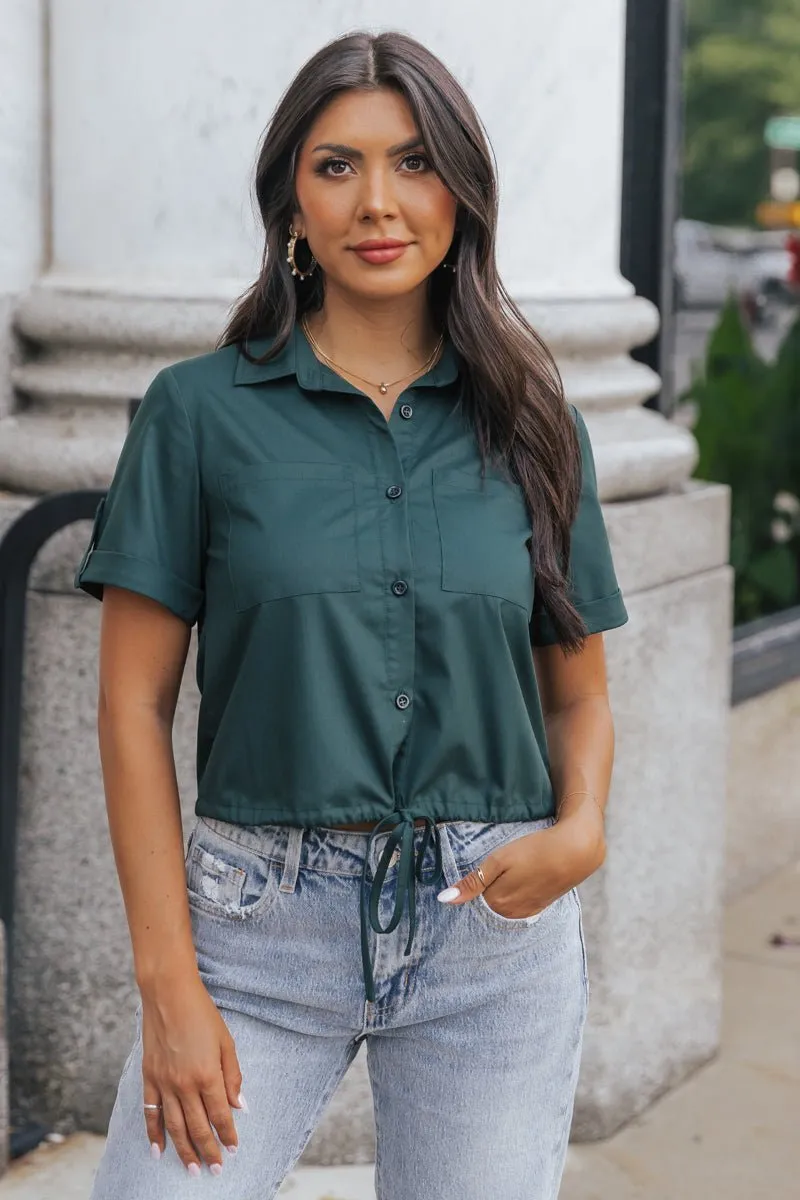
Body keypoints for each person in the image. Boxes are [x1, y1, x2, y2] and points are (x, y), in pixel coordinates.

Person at [75, 29, 628, 1200]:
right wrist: (169, 985)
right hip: (252, 934)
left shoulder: (534, 425)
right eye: (336, 166)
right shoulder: (195, 415)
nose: (377, 202)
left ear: (461, 194)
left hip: (493, 931)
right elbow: (131, 705)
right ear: (290, 201)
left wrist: (579, 828)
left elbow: (576, 692)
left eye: (414, 161)